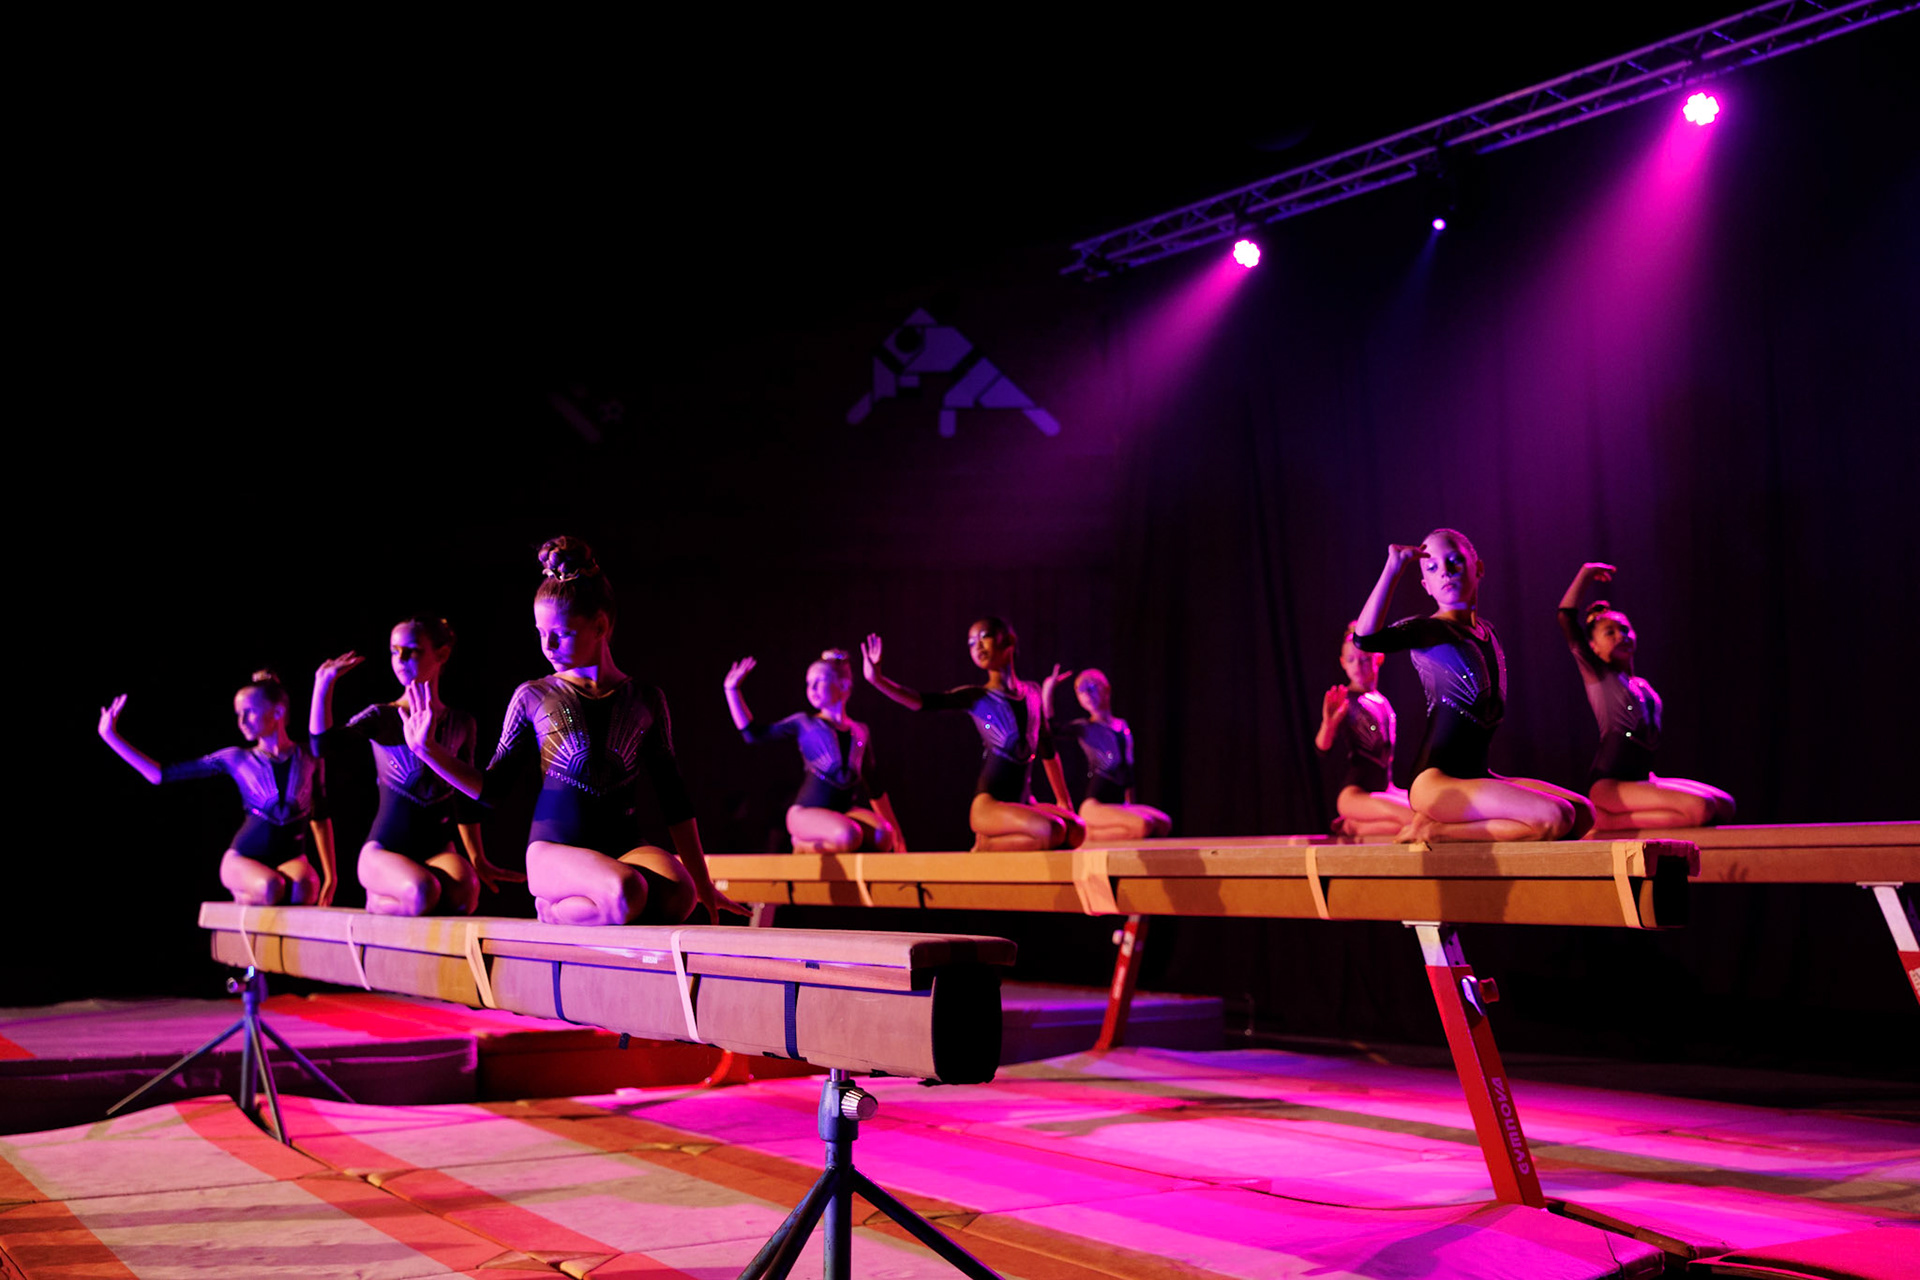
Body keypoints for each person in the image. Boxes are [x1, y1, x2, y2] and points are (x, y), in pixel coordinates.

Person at [402, 537, 741, 926]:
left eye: (560, 633)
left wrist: (703, 882)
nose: (547, 646)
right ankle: (552, 909)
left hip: (625, 849)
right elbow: (492, 790)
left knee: (681, 896)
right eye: (539, 632)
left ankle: (598, 902)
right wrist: (429, 751)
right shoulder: (534, 695)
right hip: (555, 850)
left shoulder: (646, 698)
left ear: (600, 625)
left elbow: (674, 798)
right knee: (626, 891)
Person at [1353, 530, 1593, 843]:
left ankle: (1443, 826)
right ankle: (1436, 831)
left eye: (1454, 561)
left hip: (1478, 774)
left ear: (1478, 568)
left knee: (1583, 813)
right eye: (1433, 568)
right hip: (1435, 781)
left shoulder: (1488, 632)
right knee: (1555, 818)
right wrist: (1393, 568)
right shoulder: (1428, 629)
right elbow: (1365, 639)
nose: (1445, 572)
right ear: (1426, 586)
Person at [311, 615, 523, 916]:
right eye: (394, 651)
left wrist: (477, 858)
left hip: (438, 850)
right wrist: (323, 686)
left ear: (442, 654)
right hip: (384, 849)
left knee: (465, 896)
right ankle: (376, 900)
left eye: (411, 651)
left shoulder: (460, 723)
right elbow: (323, 747)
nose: (400, 659)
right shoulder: (383, 716)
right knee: (423, 892)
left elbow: (465, 799)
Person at [98, 670, 337, 905]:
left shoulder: (308, 756)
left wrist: (331, 875)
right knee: (271, 887)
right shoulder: (236, 758)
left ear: (277, 711)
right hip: (244, 858)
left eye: (249, 712)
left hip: (291, 858)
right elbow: (159, 775)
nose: (241, 722)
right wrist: (110, 736)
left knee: (305, 889)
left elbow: (320, 815)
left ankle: (267, 892)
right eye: (238, 714)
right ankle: (242, 894)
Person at [862, 618, 1084, 851]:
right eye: (970, 642)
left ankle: (995, 841)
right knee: (1052, 830)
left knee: (1077, 830)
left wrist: (1063, 801)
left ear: (1009, 640)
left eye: (984, 636)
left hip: (1024, 803)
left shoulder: (1033, 693)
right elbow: (922, 701)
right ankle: (987, 844)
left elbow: (1048, 751)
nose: (977, 646)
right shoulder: (976, 697)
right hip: (989, 806)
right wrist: (878, 680)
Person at [1558, 562, 1736, 830]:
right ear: (1593, 647)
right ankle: (1606, 821)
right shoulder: (1600, 676)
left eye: (1625, 629)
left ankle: (1615, 818)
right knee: (1701, 809)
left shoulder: (1642, 686)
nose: (1621, 636)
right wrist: (1586, 573)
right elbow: (1566, 618)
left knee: (1725, 805)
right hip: (1610, 785)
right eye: (1610, 632)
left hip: (1643, 780)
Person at [724, 649, 905, 854]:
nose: (812, 688)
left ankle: (842, 841)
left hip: (844, 813)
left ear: (843, 685)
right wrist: (732, 691)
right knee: (849, 835)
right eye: (808, 683)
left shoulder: (860, 731)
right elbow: (753, 734)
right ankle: (802, 844)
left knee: (883, 836)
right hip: (806, 812)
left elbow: (874, 786)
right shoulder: (805, 723)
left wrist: (897, 833)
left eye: (819, 681)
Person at [1041, 667, 1170, 842]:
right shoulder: (1085, 728)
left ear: (1106, 689)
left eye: (1091, 687)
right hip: (1095, 805)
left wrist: (1130, 805)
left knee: (1163, 824)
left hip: (1118, 806)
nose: (1086, 694)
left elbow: (1128, 771)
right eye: (1080, 691)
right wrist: (1048, 690)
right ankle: (1088, 834)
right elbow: (1049, 730)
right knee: (1143, 826)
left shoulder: (1122, 726)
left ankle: (1105, 829)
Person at [1313, 626, 1414, 839]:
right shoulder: (1345, 701)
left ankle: (1355, 826)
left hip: (1383, 791)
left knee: (1427, 812)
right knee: (1414, 819)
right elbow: (1322, 748)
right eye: (1351, 660)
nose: (1357, 666)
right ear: (1343, 663)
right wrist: (1328, 724)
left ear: (1379, 658)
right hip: (1354, 795)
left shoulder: (1382, 701)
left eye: (1365, 659)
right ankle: (1353, 826)